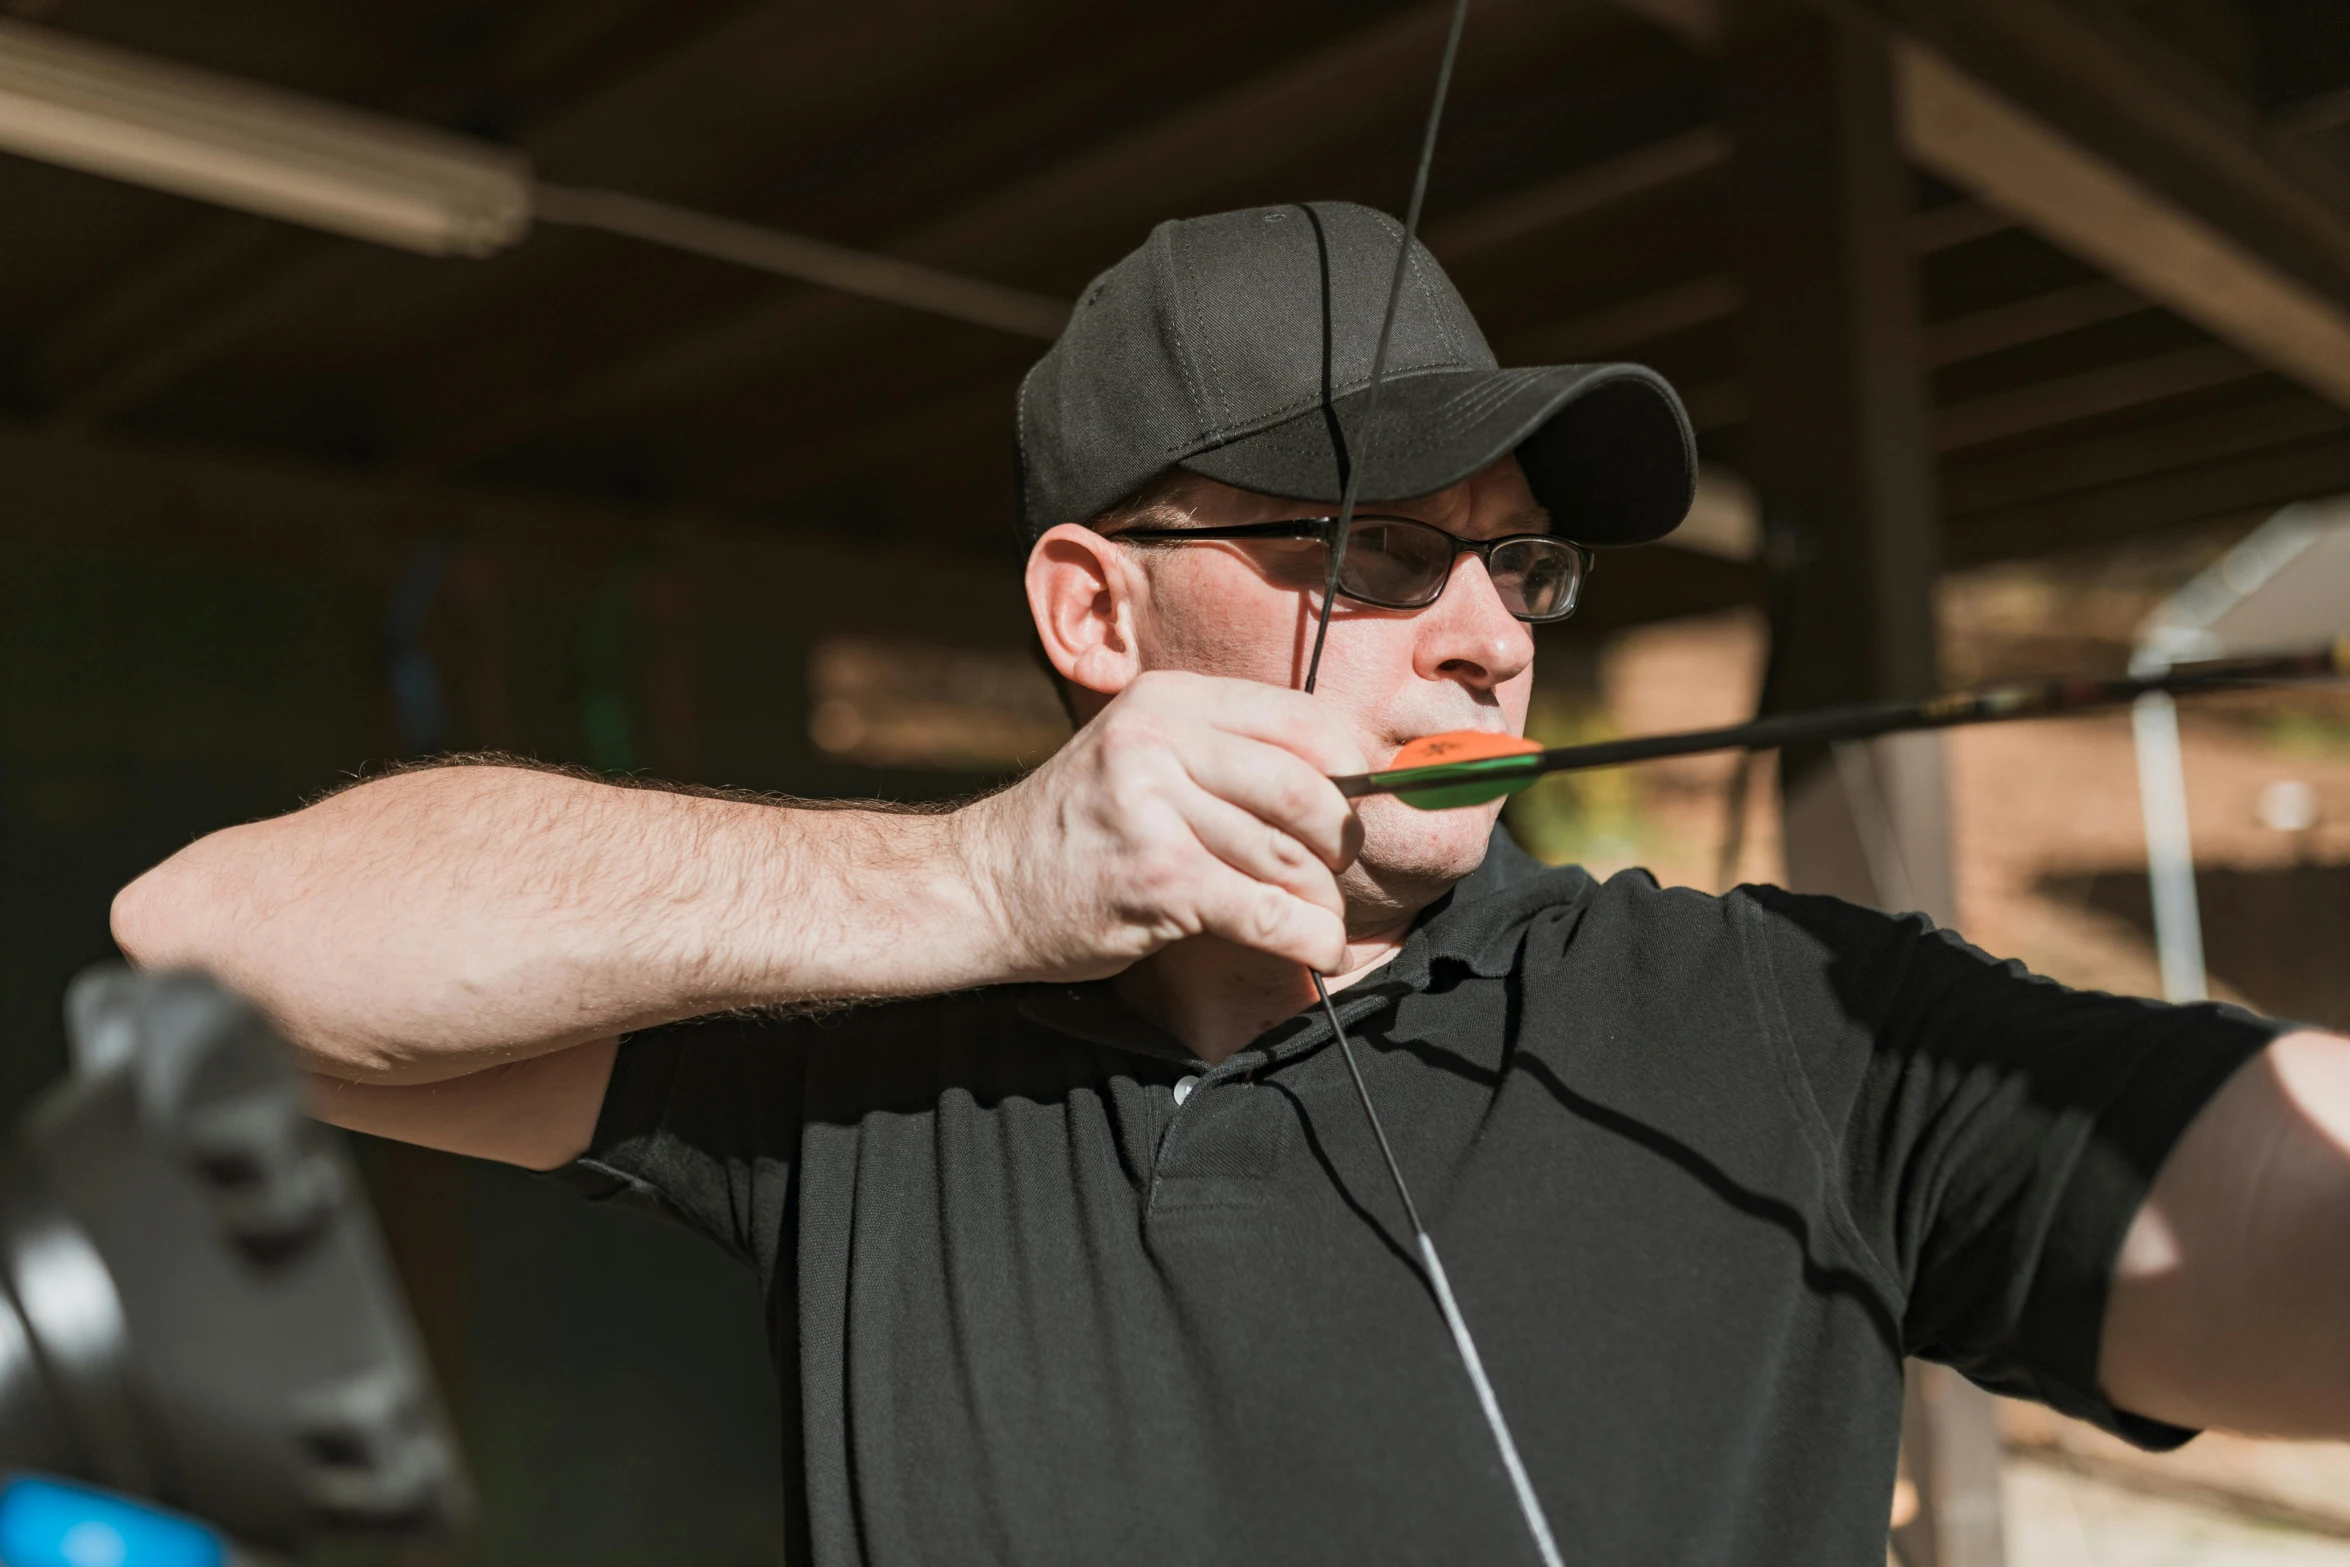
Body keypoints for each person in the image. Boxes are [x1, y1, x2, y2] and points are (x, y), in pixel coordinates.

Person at [112, 202, 2350, 1565]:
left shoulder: (1786, 1029)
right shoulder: (865, 1066)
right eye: (1375, 550)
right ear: (1094, 616)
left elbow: (2283, 1228)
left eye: (1516, 562)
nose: (1486, 632)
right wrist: (970, 886)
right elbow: (199, 952)